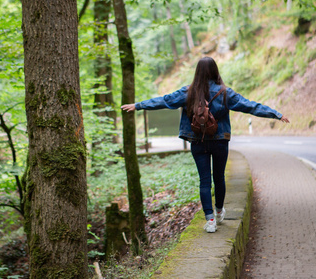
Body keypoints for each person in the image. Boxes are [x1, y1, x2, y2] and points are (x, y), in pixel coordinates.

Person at [121, 56, 289, 233]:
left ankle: (210, 221)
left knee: (204, 181)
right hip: (220, 141)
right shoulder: (225, 93)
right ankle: (218, 211)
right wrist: (275, 114)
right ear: (215, 70)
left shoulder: (188, 92)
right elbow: (250, 106)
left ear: (197, 72)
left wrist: (138, 105)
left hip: (197, 141)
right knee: (219, 178)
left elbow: (164, 100)